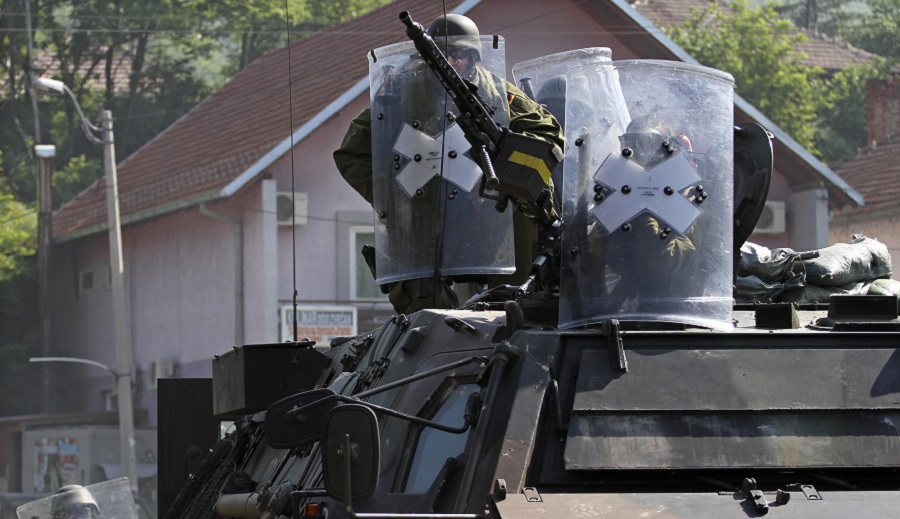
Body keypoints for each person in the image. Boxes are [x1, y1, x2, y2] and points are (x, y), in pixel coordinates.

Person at [334, 14, 564, 315]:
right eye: (444, 54)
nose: (452, 61)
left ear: (474, 57)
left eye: (460, 54)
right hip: (425, 214)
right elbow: (352, 153)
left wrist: (510, 170)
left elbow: (548, 133)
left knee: (517, 299)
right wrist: (394, 196)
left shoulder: (496, 92)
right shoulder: (399, 93)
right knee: (424, 309)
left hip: (491, 210)